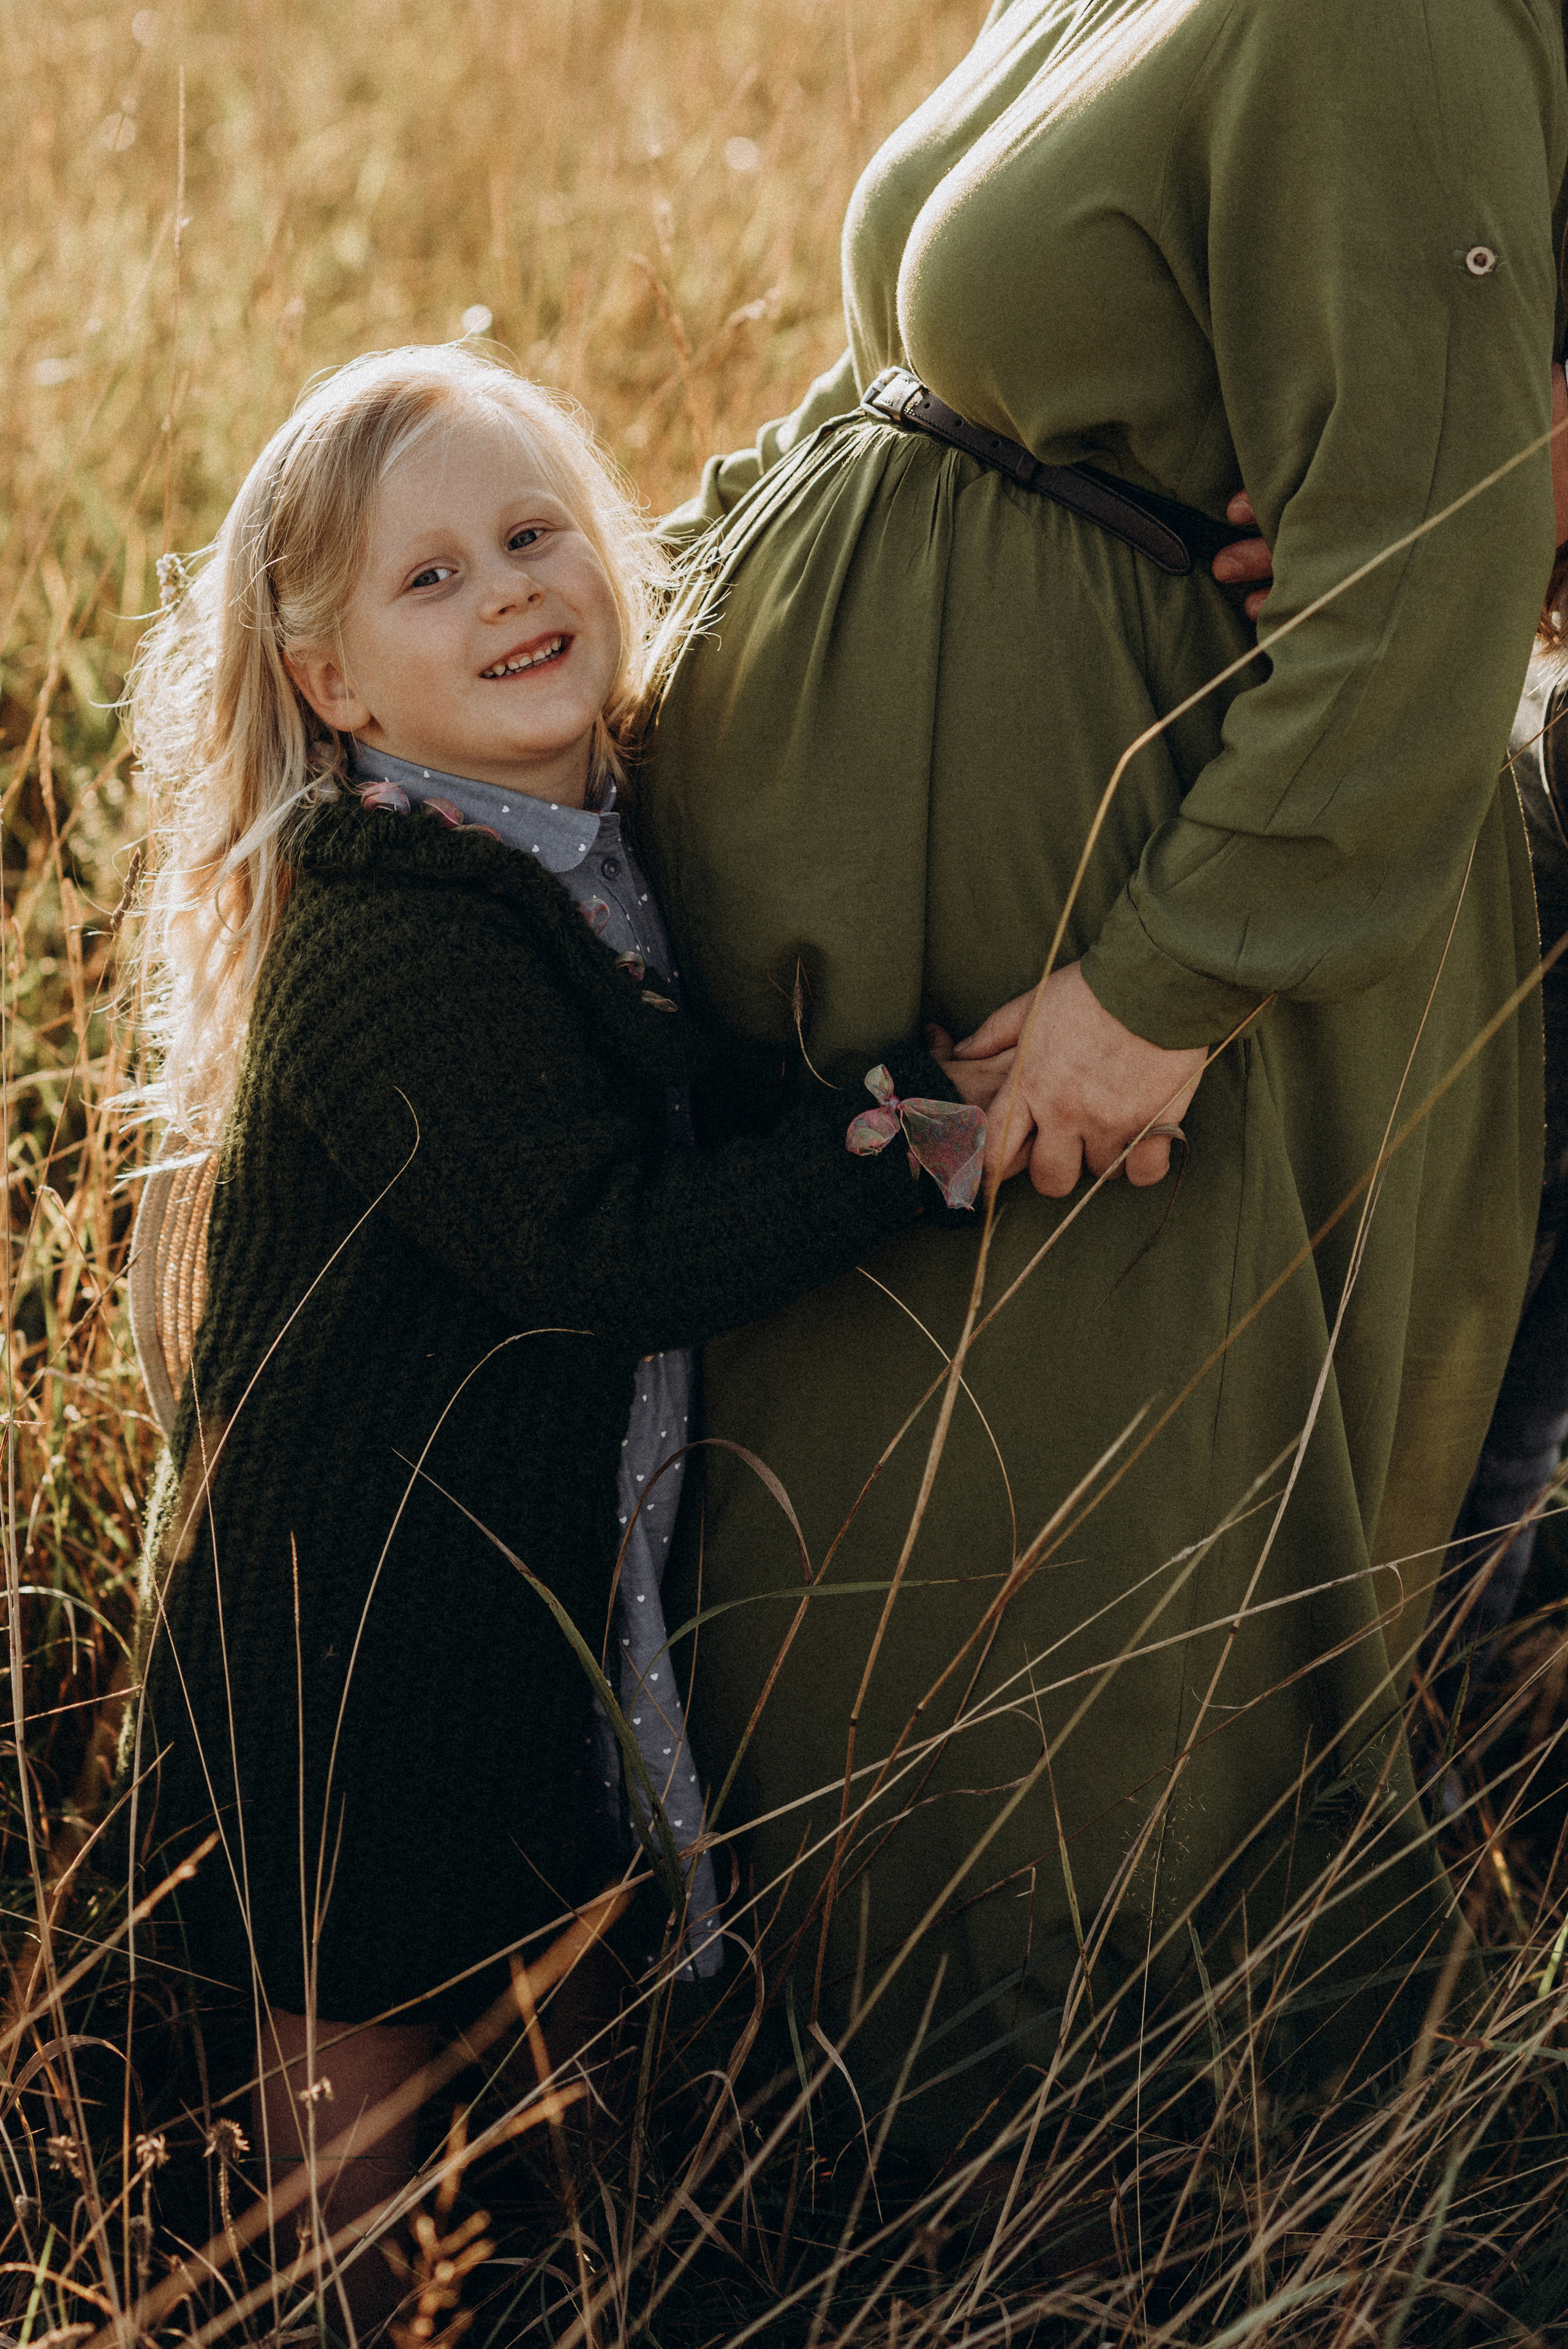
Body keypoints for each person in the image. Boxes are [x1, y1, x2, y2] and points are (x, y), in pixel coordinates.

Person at [637, 0, 1566, 2156]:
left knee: (1080, 1650)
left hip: (1130, 1021)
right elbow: (904, 386)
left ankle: (1133, 2201)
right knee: (880, 1605)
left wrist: (1160, 987)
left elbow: (1422, 574)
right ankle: (849, 2149)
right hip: (932, 1021)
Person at [121, 343, 1007, 2323]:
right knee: (352, 2007)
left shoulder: (590, 838)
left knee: (567, 1942)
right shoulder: (392, 927)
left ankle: (615, 2267)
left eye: (534, 535)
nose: (509, 591)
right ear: (333, 683)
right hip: (348, 1599)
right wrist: (911, 1138)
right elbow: (599, 1239)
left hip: (523, 1557)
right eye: (430, 578)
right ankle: (348, 2304)